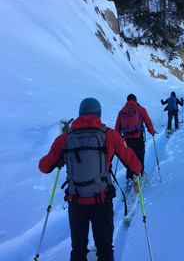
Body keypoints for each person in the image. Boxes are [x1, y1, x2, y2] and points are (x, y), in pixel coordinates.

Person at [39, 97, 142, 261]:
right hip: (101, 200)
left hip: (76, 200)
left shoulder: (64, 138)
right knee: (105, 247)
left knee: (78, 249)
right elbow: (134, 164)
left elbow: (44, 166)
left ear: (79, 114)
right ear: (98, 114)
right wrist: (137, 170)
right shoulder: (109, 135)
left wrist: (62, 158)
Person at [115, 94, 155, 191]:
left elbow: (117, 127)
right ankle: (139, 176)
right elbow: (147, 121)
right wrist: (152, 131)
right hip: (138, 137)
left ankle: (129, 178)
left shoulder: (122, 112)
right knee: (140, 156)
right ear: (135, 100)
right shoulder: (140, 109)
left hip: (127, 139)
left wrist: (118, 139)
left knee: (129, 158)